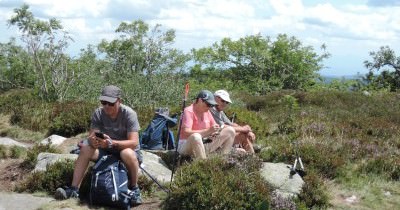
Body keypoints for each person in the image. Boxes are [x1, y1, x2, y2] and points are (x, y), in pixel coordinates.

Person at [55, 85, 142, 205]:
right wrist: (93, 141)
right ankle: (74, 190)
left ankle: (134, 188)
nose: (106, 106)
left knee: (126, 153)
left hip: (126, 151)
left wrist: (112, 143)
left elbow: (134, 142)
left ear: (119, 101)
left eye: (110, 103)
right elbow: (92, 136)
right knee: (86, 148)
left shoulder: (129, 114)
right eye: (103, 102)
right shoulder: (98, 113)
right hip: (105, 150)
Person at [178, 90, 235, 159]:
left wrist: (214, 133)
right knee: (196, 137)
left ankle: (222, 159)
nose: (209, 107)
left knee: (230, 131)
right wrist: (208, 131)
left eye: (211, 105)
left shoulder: (207, 112)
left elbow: (214, 128)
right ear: (199, 100)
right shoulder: (188, 111)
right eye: (208, 104)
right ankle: (204, 164)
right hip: (187, 145)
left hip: (204, 143)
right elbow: (185, 133)